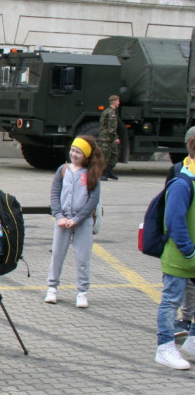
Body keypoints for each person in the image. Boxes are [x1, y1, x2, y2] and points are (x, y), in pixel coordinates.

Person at [44, 136, 103, 308]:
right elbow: (55, 193)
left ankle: (82, 292)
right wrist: (59, 215)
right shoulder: (63, 170)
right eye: (72, 150)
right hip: (62, 221)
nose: (74, 154)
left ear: (86, 155)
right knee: (57, 255)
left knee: (82, 257)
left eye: (78, 152)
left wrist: (77, 219)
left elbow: (93, 200)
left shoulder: (91, 173)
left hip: (82, 222)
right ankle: (52, 288)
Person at [154, 130, 195, 370]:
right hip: (180, 256)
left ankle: (191, 342)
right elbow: (175, 222)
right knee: (171, 300)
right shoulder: (183, 182)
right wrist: (189, 251)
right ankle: (165, 346)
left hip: (190, 255)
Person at [164, 125, 195, 337]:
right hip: (181, 245)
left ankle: (187, 324)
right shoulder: (179, 173)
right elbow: (172, 212)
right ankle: (174, 330)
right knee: (176, 291)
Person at [98, 94, 123, 180]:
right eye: (118, 101)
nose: (119, 103)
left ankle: (108, 171)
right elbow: (111, 128)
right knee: (105, 156)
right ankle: (101, 174)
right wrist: (115, 138)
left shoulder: (108, 111)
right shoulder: (111, 113)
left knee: (114, 154)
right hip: (107, 138)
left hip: (109, 138)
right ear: (115, 102)